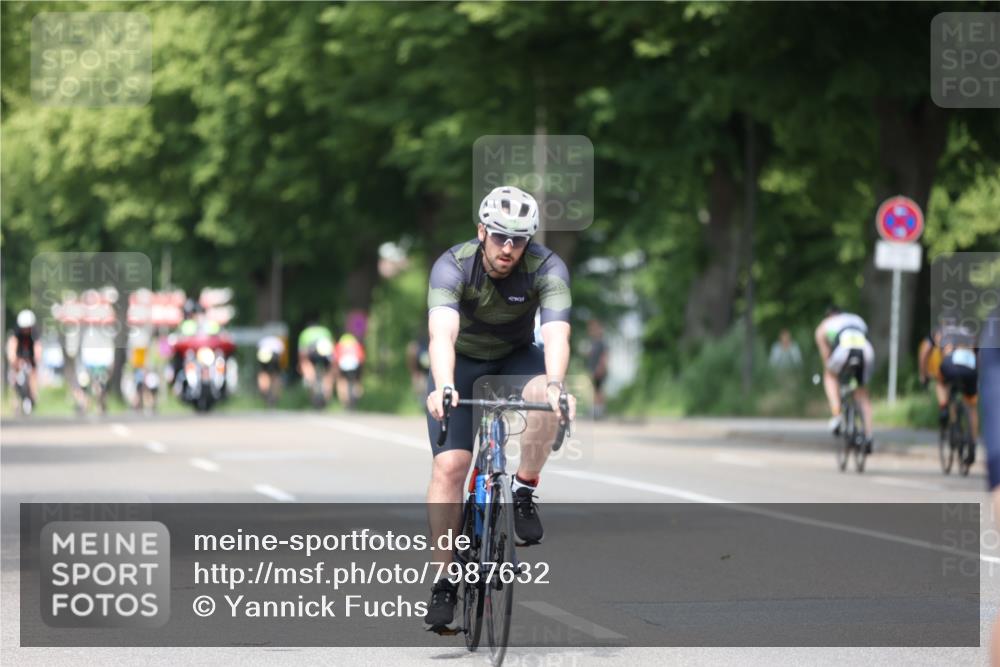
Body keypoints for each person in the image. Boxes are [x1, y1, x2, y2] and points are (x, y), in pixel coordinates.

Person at [422, 185, 576, 632]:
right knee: (450, 467)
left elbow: (558, 335)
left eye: (519, 239)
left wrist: (554, 385)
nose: (508, 248)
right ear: (481, 231)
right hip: (463, 364)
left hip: (514, 358)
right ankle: (445, 580)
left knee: (548, 403)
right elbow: (441, 334)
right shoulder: (452, 266)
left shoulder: (548, 268)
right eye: (499, 237)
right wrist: (444, 385)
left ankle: (525, 490)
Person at [814, 305, 875, 452]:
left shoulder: (824, 326)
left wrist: (832, 367)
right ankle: (868, 435)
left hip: (843, 350)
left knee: (829, 375)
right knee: (862, 392)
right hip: (866, 351)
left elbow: (826, 356)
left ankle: (837, 415)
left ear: (828, 316)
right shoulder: (857, 319)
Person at [922, 316, 979, 461]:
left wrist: (924, 374)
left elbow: (925, 352)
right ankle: (972, 443)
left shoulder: (939, 331)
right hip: (970, 365)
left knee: (941, 384)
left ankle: (944, 409)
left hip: (950, 362)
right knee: (971, 406)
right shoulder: (967, 331)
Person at [6, 310, 41, 407]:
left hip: (30, 352)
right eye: (23, 328)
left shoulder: (34, 331)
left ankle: (33, 394)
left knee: (33, 372)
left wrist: (37, 358)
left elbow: (37, 346)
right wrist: (12, 357)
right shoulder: (17, 330)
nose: (25, 330)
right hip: (19, 351)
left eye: (27, 328)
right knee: (14, 373)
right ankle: (14, 399)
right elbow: (13, 343)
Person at [298, 320, 335, 404]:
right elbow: (332, 348)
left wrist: (301, 365)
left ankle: (310, 379)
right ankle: (327, 392)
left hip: (312, 353)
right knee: (328, 373)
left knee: (306, 363)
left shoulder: (305, 333)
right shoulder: (325, 331)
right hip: (326, 352)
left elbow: (301, 353)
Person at [584, 319, 609, 419]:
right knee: (595, 390)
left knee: (598, 390)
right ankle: (596, 410)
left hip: (599, 370)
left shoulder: (601, 343)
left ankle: (599, 411)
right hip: (593, 369)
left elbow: (604, 356)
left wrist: (601, 368)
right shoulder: (593, 342)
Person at [334, 331, 366, 405]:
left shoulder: (340, 345)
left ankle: (344, 401)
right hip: (355, 365)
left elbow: (336, 358)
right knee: (357, 380)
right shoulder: (356, 345)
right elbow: (361, 358)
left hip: (343, 365)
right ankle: (357, 393)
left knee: (341, 380)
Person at [256, 334, 286, 404]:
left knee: (263, 372)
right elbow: (281, 353)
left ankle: (264, 390)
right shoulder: (278, 340)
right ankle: (275, 393)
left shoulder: (263, 340)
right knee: (275, 374)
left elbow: (258, 350)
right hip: (275, 355)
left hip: (263, 354)